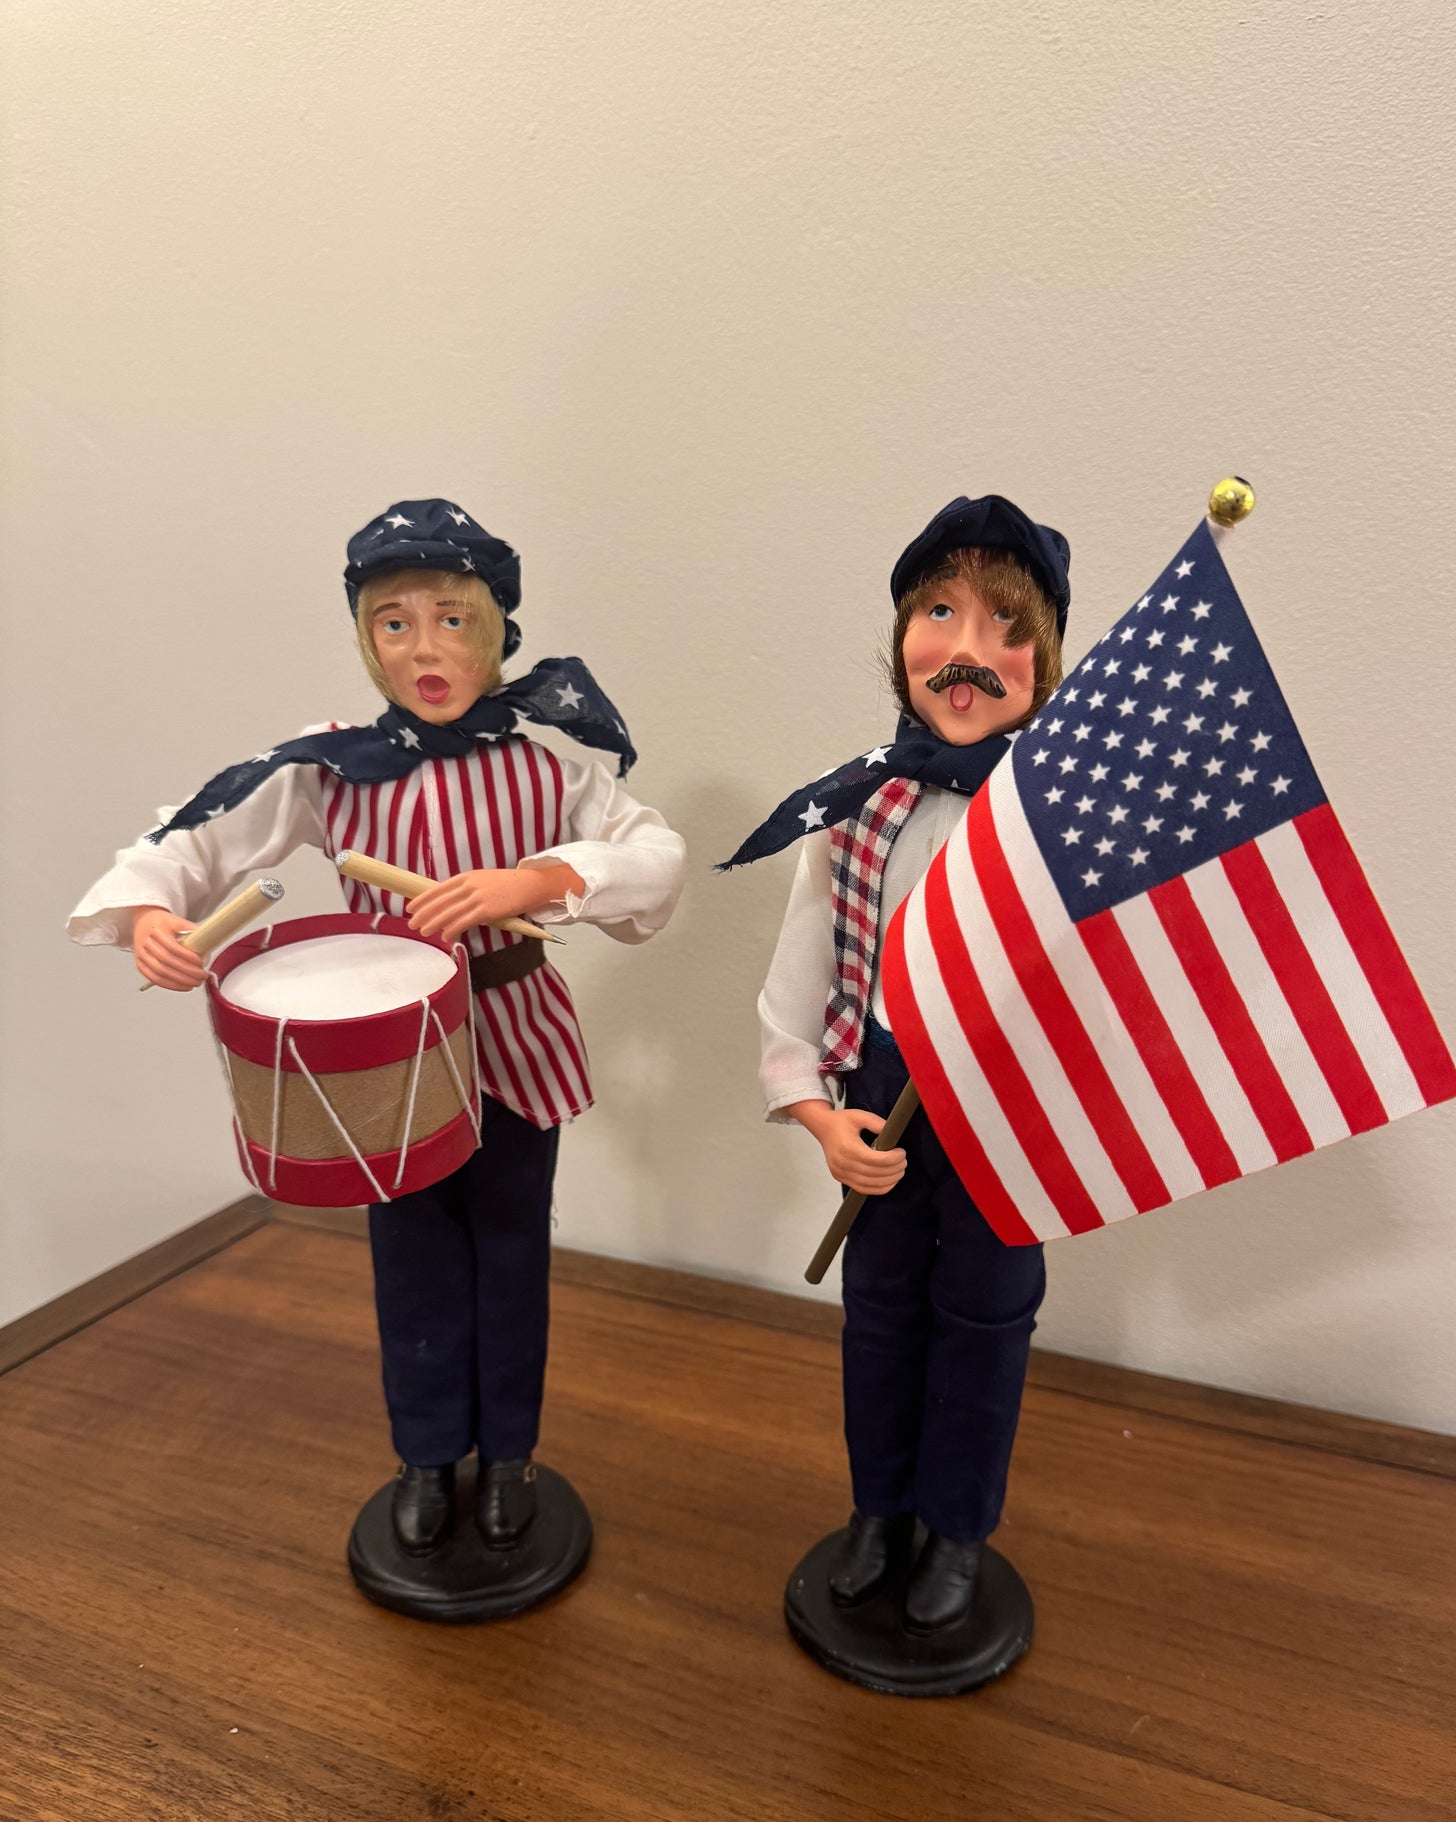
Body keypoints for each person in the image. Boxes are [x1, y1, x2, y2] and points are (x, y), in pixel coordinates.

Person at [69, 499, 685, 1561]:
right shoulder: (332, 765)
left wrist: (539, 878)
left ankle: (510, 1458)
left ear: (495, 629)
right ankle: (426, 1455)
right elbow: (196, 832)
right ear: (366, 639)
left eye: (451, 619)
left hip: (513, 1035)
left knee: (512, 1254)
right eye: (394, 624)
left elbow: (653, 856)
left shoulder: (549, 766)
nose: (424, 648)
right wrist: (153, 910)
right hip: (386, 1057)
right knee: (410, 1260)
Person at [724, 495, 1068, 1633]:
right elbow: (802, 966)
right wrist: (819, 1114)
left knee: (986, 1317)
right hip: (883, 1089)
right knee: (878, 1312)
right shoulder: (855, 805)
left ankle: (958, 1528)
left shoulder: (1061, 818)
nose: (968, 649)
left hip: (1005, 1105)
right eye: (940, 613)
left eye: (1005, 625)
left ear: (1045, 658)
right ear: (901, 637)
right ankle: (879, 1509)